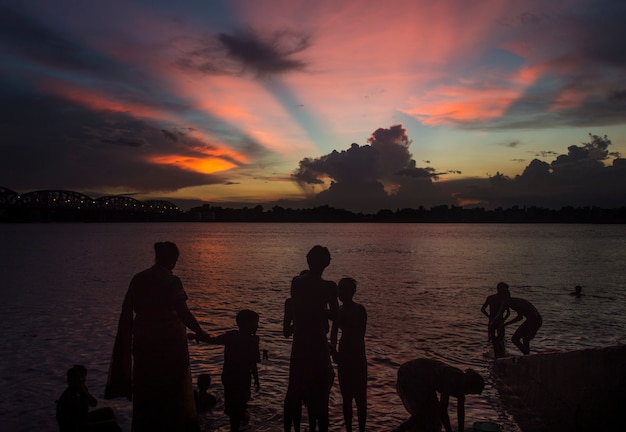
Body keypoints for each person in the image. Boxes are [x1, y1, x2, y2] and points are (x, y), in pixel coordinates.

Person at [105, 241, 207, 432]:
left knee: (147, 392)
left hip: (143, 346)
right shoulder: (172, 281)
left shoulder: (138, 279)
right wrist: (201, 331)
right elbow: (183, 313)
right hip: (169, 348)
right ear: (173, 260)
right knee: (170, 395)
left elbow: (128, 312)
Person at [285, 246, 338, 432]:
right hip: (317, 342)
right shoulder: (329, 287)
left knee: (295, 388)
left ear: (308, 261)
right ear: (327, 263)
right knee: (321, 390)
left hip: (300, 341)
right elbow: (336, 315)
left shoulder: (296, 282)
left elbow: (299, 309)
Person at [189, 309, 261, 432]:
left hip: (230, 377)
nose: (256, 326)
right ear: (245, 324)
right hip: (241, 378)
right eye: (254, 323)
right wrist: (256, 379)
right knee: (240, 403)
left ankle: (237, 422)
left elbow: (213, 340)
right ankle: (240, 423)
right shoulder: (251, 341)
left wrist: (198, 336)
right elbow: (252, 364)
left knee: (234, 405)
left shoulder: (233, 336)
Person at [392, 358, 485, 432]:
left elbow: (461, 413)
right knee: (425, 414)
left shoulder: (462, 385)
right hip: (410, 374)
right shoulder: (451, 378)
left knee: (430, 415)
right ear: (468, 385)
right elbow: (443, 411)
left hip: (425, 382)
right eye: (469, 392)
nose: (467, 394)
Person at [330, 277, 367, 432]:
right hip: (345, 355)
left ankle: (362, 429)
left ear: (352, 292)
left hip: (357, 356)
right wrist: (334, 351)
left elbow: (359, 333)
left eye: (344, 289)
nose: (340, 292)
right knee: (346, 398)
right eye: (339, 289)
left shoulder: (359, 309)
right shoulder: (338, 310)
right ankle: (349, 429)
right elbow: (333, 333)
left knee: (360, 398)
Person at [56, 365, 121, 432]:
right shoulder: (70, 396)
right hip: (77, 427)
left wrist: (85, 392)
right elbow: (73, 421)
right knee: (113, 426)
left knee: (109, 411)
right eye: (81, 377)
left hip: (82, 421)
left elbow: (94, 403)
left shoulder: (80, 390)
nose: (84, 380)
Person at [480, 282, 511, 358]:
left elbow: (483, 309)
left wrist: (490, 317)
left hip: (494, 321)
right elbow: (508, 313)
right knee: (498, 339)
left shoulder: (493, 298)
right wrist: (503, 320)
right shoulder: (502, 299)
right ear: (499, 289)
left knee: (495, 339)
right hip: (498, 321)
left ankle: (498, 356)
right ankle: (500, 356)